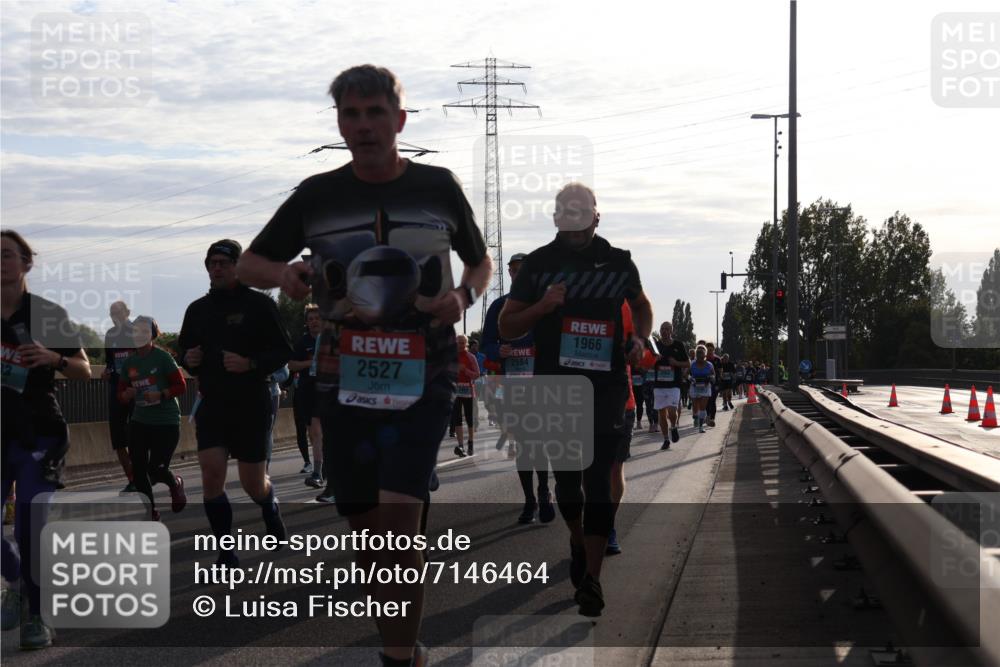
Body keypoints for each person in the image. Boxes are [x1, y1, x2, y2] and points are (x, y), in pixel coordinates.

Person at [236, 65, 491, 667]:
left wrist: (462, 298)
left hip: (425, 371)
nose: (363, 126)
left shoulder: (438, 186)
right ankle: (399, 640)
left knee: (400, 526)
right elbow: (251, 263)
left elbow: (479, 264)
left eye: (376, 113)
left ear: (400, 120)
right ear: (339, 124)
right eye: (350, 115)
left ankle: (399, 658)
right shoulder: (317, 195)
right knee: (371, 537)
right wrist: (284, 275)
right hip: (343, 378)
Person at [498, 182, 653, 617]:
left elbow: (642, 306)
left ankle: (592, 580)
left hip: (606, 388)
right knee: (569, 487)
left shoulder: (618, 261)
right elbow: (508, 327)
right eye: (568, 210)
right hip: (557, 387)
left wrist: (638, 338)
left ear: (597, 216)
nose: (577, 217)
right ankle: (575, 536)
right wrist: (543, 306)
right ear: (556, 217)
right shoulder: (538, 266)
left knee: (599, 481)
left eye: (584, 209)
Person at [1, 230, 91, 649]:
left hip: (38, 430)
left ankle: (38, 615)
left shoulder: (47, 314)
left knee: (30, 525)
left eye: (6, 255)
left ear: (25, 263)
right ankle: (17, 582)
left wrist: (54, 358)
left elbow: (83, 370)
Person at [178, 239, 292, 569]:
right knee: (211, 477)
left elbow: (283, 351)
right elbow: (186, 353)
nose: (217, 267)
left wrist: (250, 364)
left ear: (237, 267)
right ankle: (226, 552)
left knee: (252, 483)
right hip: (213, 403)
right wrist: (190, 359)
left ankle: (269, 505)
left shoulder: (259, 306)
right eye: (212, 262)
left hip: (251, 403)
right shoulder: (197, 309)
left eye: (224, 263)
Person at [481, 252, 554, 524]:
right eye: (514, 270)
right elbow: (486, 343)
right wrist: (498, 350)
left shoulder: (544, 306)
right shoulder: (498, 307)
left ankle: (544, 491)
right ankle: (530, 500)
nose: (518, 274)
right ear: (510, 274)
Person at [118, 316, 187, 521]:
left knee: (156, 469)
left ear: (152, 334)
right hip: (140, 422)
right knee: (139, 472)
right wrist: (125, 395)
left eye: (143, 331)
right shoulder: (130, 362)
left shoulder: (162, 358)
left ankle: (175, 484)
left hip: (166, 422)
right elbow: (120, 394)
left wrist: (161, 395)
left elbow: (181, 386)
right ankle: (150, 513)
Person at [102, 300, 136, 494]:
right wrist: (106, 372)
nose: (114, 316)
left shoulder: (137, 332)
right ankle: (132, 479)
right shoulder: (110, 335)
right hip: (117, 390)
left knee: (137, 437)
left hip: (137, 390)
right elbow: (110, 362)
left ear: (127, 312)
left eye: (117, 312)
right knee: (118, 438)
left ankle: (142, 475)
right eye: (111, 313)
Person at [289, 304, 322, 477]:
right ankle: (320, 468)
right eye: (310, 319)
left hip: (327, 391)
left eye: (317, 318)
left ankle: (318, 472)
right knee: (313, 432)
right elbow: (291, 365)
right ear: (306, 323)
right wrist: (310, 363)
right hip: (307, 391)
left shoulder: (330, 340)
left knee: (318, 431)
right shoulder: (302, 342)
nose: (314, 322)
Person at [653, 321, 690, 449]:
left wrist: (676, 363)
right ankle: (666, 439)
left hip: (674, 384)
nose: (664, 331)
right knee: (661, 414)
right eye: (662, 329)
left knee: (672, 411)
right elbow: (646, 363)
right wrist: (654, 360)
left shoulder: (678, 345)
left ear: (671, 331)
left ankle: (673, 427)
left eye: (667, 329)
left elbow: (687, 363)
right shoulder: (655, 345)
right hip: (659, 384)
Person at [451, 334, 480, 457]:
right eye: (458, 342)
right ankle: (461, 445)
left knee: (469, 419)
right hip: (455, 391)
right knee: (457, 418)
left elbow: (477, 374)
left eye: (463, 343)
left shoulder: (471, 357)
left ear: (466, 344)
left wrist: (465, 370)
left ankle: (471, 443)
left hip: (468, 391)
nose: (461, 345)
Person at [688, 345, 716, 432]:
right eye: (698, 353)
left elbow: (713, 375)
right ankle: (696, 417)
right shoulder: (692, 364)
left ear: (705, 354)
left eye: (701, 353)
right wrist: (690, 378)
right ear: (696, 354)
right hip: (695, 387)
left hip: (705, 387)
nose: (700, 355)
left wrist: (711, 378)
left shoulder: (709, 365)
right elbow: (685, 374)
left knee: (703, 407)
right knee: (696, 406)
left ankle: (700, 426)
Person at [704, 342, 722, 427]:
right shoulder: (703, 359)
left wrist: (718, 382)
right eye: (707, 350)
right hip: (705, 383)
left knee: (713, 400)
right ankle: (707, 416)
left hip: (715, 383)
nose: (709, 351)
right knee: (707, 401)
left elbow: (720, 372)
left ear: (713, 350)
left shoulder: (717, 359)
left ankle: (712, 418)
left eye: (711, 350)